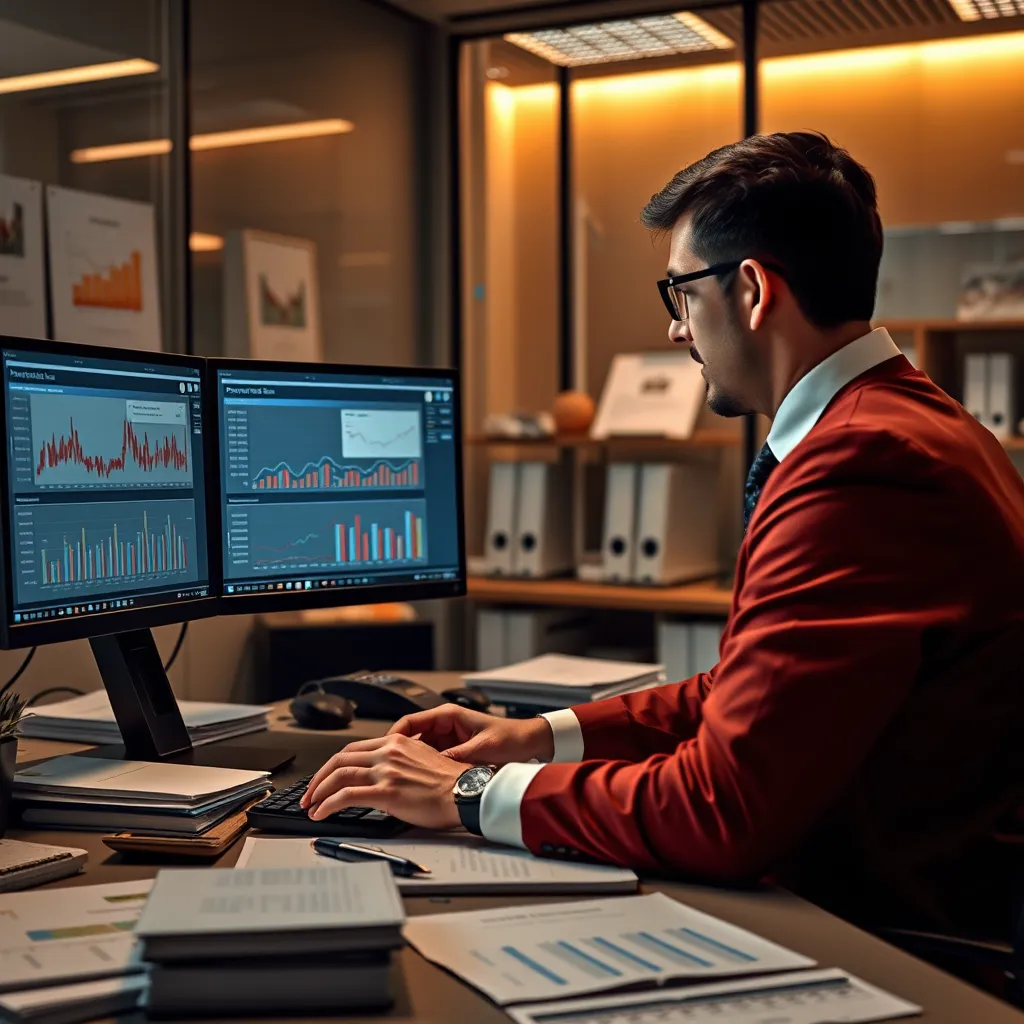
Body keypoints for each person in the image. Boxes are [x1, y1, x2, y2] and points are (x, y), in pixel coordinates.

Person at [303, 131, 1024, 932]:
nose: (678, 330)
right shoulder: (914, 420)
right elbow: (755, 694)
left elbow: (724, 809)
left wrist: (463, 795)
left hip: (899, 928)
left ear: (751, 291)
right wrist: (536, 738)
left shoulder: (859, 463)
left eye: (681, 293)